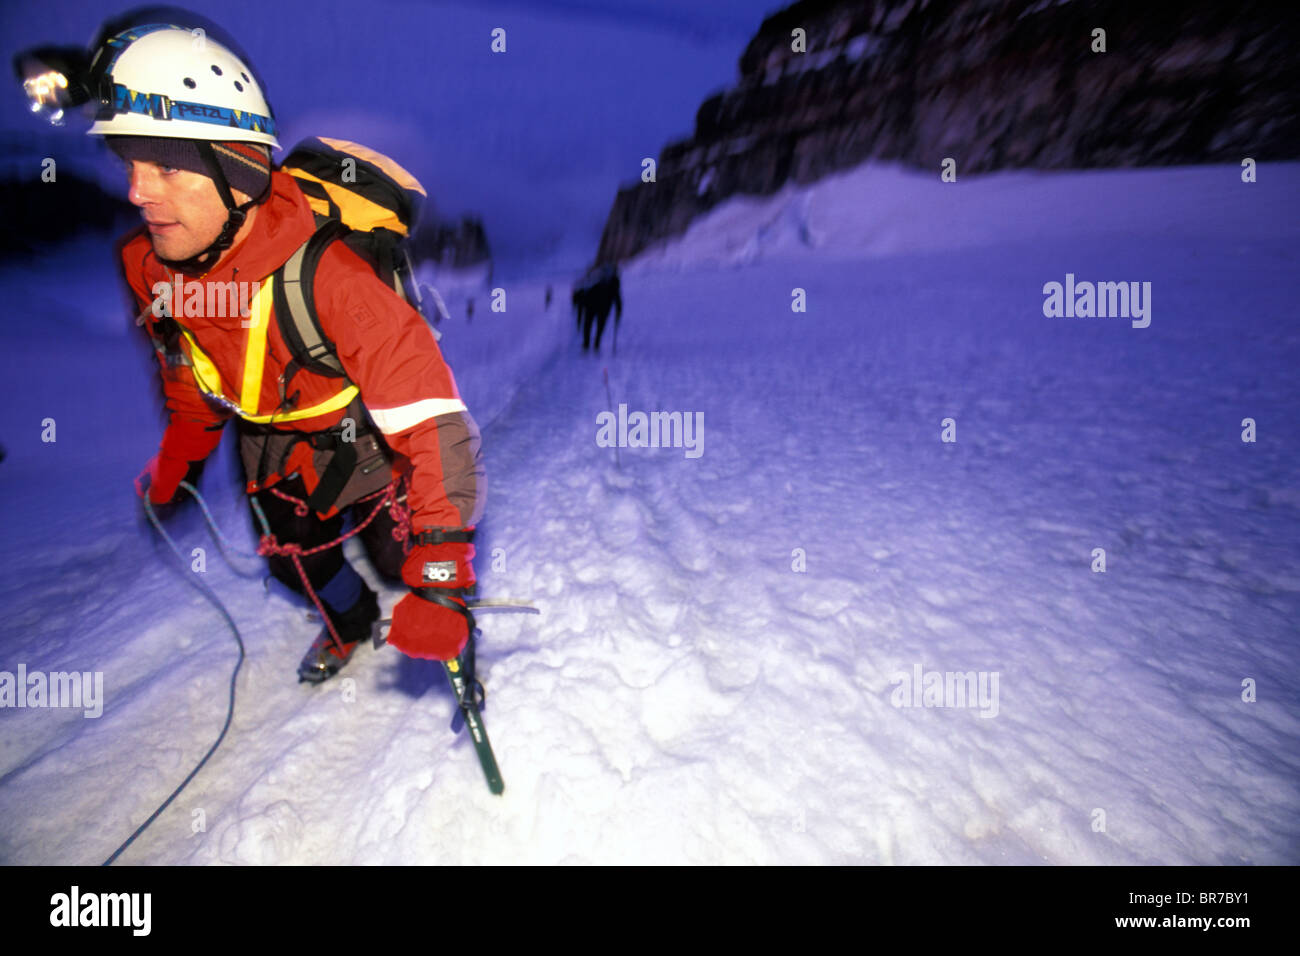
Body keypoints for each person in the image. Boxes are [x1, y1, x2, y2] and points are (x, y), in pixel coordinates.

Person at [93, 23, 484, 682]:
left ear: (238, 169)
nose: (137, 191)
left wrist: (440, 574)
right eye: (128, 161)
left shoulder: (331, 277)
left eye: (164, 162)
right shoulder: (148, 266)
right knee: (292, 562)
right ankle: (350, 623)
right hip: (270, 451)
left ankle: (410, 586)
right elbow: (191, 381)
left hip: (364, 440)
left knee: (399, 557)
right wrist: (174, 471)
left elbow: (429, 415)